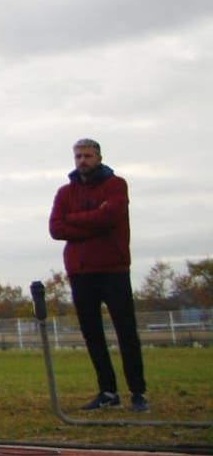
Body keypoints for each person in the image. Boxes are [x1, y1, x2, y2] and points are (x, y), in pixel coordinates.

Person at [49, 138, 149, 412]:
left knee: (126, 332)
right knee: (92, 334)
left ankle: (138, 392)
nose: (83, 161)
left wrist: (76, 220)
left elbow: (111, 218)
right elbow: (57, 228)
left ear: (99, 157)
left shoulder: (116, 185)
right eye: (78, 156)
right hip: (81, 272)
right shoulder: (65, 193)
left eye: (88, 156)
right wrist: (94, 218)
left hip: (113, 269)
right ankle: (108, 391)